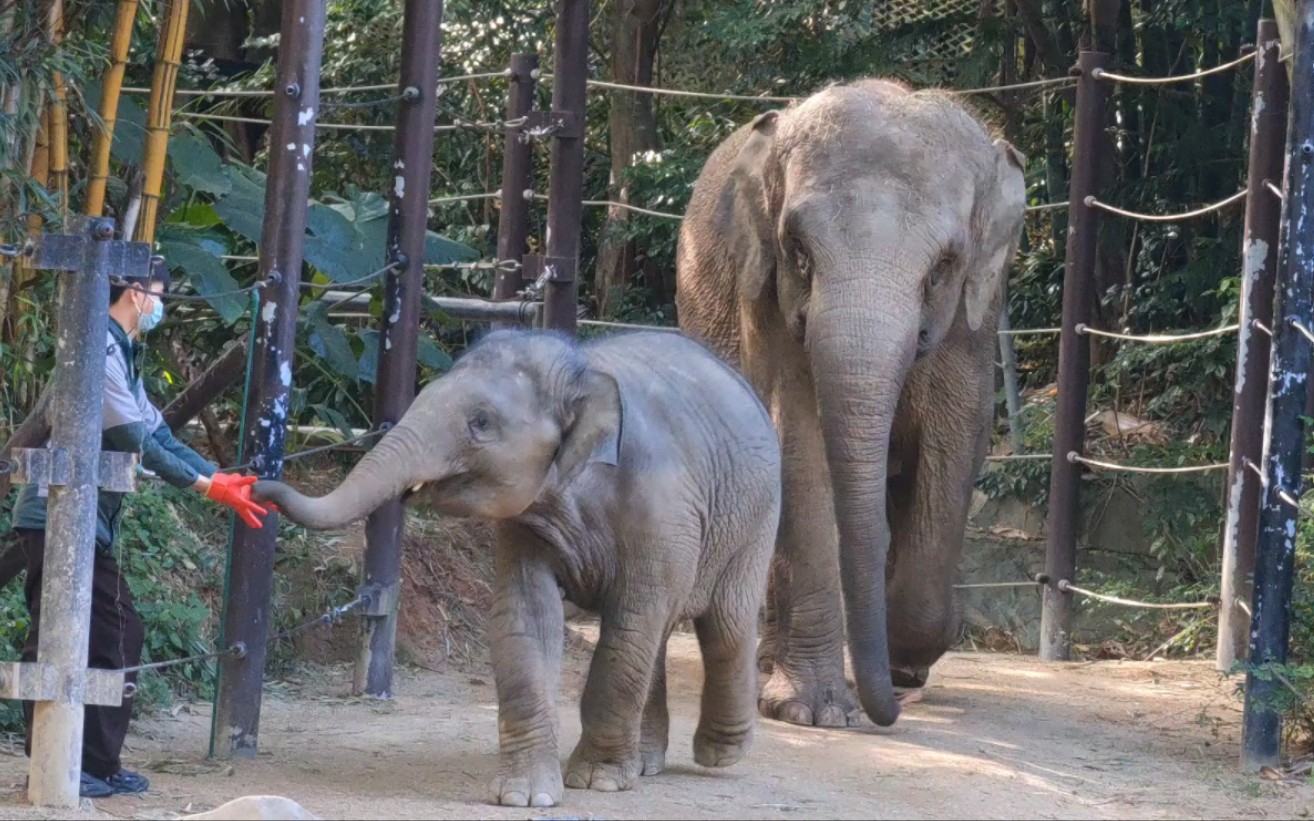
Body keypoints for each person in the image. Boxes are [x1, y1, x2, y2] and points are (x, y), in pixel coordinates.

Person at [9, 263, 270, 798]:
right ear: (134, 292)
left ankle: (93, 764)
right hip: (55, 516)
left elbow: (157, 432)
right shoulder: (98, 352)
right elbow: (130, 436)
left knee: (110, 631)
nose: (160, 304)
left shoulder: (124, 355)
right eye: (158, 294)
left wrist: (218, 477)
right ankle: (61, 764)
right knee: (104, 630)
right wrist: (205, 486)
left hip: (88, 520)